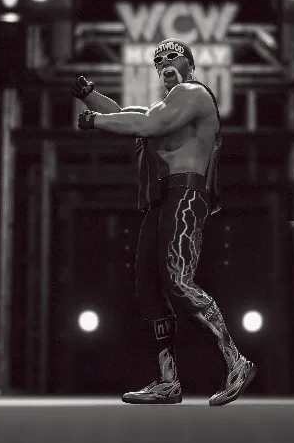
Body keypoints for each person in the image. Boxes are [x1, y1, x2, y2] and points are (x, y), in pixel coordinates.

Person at [72, 38, 256, 406]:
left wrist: (95, 120)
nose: (165, 63)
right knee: (148, 288)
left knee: (177, 281)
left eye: (173, 57)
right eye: (158, 61)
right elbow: (129, 114)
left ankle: (236, 362)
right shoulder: (166, 105)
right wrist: (90, 96)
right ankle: (168, 380)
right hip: (162, 201)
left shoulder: (193, 94)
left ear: (190, 64)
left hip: (186, 194)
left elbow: (147, 123)